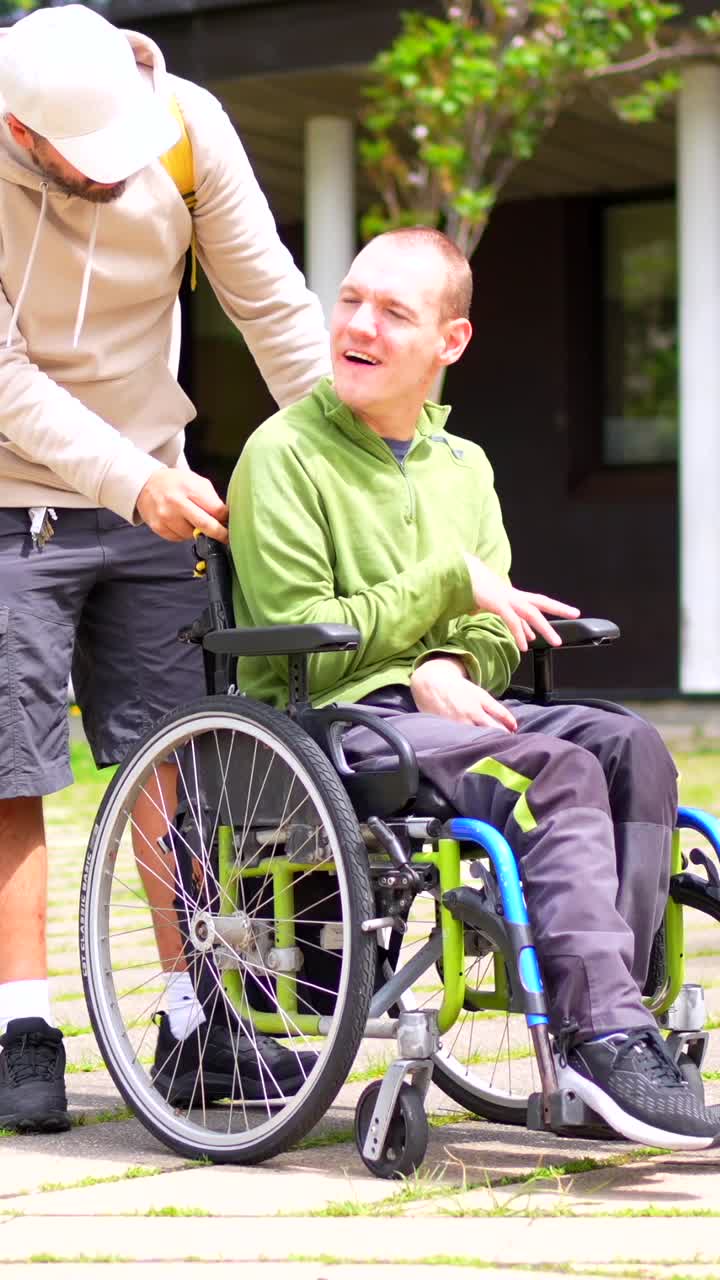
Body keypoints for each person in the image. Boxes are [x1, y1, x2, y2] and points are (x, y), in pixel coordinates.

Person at [228, 226, 720, 1152]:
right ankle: (601, 1036)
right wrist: (442, 598)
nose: (359, 326)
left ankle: (619, 1021)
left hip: (440, 708)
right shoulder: (282, 454)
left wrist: (448, 663)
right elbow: (304, 635)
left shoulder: (468, 468)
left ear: (449, 343)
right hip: (335, 719)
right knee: (552, 773)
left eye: (393, 312)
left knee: (632, 748)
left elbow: (497, 625)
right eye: (352, 300)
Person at [0, 3, 332, 1133]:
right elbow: (7, 384)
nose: (108, 186)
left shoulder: (187, 127)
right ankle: (23, 1025)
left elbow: (275, 309)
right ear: (23, 135)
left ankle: (198, 1013)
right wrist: (127, 480)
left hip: (153, 480)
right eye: (83, 172)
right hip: (11, 497)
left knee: (176, 759)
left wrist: (370, 461)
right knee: (12, 769)